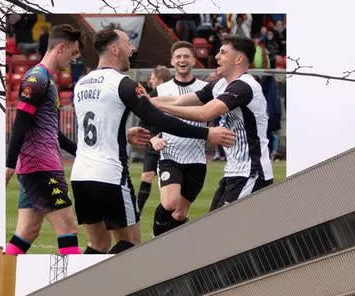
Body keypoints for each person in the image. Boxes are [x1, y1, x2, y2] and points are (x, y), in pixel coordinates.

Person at [70, 24, 235, 254]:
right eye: (128, 43)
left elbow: (94, 128)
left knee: (97, 244)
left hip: (80, 175)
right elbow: (162, 120)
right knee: (131, 245)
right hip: (110, 176)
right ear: (115, 49)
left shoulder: (81, 84)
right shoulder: (123, 83)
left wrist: (125, 135)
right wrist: (207, 133)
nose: (132, 49)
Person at [153, 36, 273, 211]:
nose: (216, 56)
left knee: (223, 233)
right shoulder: (220, 84)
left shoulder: (244, 87)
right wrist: (148, 100)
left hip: (252, 173)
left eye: (223, 52)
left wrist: (160, 107)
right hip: (234, 172)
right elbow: (181, 100)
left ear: (238, 59)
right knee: (215, 229)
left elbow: (204, 113)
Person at [5, 24, 83, 255]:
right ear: (61, 48)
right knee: (68, 226)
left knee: (27, 231)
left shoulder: (47, 79)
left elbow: (51, 131)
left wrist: (81, 152)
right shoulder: (37, 78)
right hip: (41, 168)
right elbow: (20, 122)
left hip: (37, 167)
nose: (74, 58)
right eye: (73, 53)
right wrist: (9, 166)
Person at [145, 42, 210, 236]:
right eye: (178, 57)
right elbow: (144, 122)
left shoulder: (206, 89)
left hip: (197, 160)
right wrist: (153, 139)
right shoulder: (161, 90)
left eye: (186, 56)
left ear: (193, 60)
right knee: (170, 203)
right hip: (170, 156)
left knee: (180, 214)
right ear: (172, 61)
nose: (182, 60)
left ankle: (171, 246)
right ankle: (156, 239)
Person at [136, 65, 171, 211]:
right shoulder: (151, 98)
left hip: (170, 144)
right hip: (153, 142)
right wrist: (151, 138)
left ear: (161, 80)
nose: (150, 81)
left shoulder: (173, 97)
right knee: (147, 176)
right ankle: (137, 211)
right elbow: (142, 123)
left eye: (153, 78)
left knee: (168, 184)